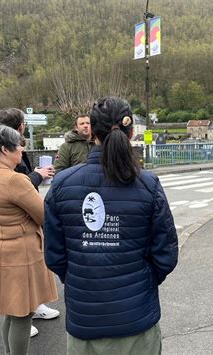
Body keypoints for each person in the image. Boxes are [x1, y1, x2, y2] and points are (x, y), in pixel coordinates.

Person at [44, 97, 178, 355]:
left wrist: (80, 278)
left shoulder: (62, 184)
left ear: (91, 131)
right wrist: (142, 281)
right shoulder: (148, 185)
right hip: (136, 321)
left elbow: (54, 255)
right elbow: (166, 254)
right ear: (131, 133)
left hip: (84, 320)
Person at [0, 124, 58, 355]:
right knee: (23, 315)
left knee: (11, 314)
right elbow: (44, 216)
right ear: (4, 149)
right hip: (21, 252)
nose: (21, 149)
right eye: (18, 145)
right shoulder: (14, 180)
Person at [0, 108, 60, 338]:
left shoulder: (9, 148)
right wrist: (38, 175)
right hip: (16, 230)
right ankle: (22, 314)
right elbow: (17, 184)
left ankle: (34, 307)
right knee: (18, 278)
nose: (21, 149)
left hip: (25, 224)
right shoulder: (3, 154)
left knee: (34, 269)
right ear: (21, 125)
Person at [0, 108, 55, 190]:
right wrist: (38, 175)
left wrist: (35, 173)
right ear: (20, 127)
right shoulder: (9, 151)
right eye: (25, 123)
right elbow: (17, 186)